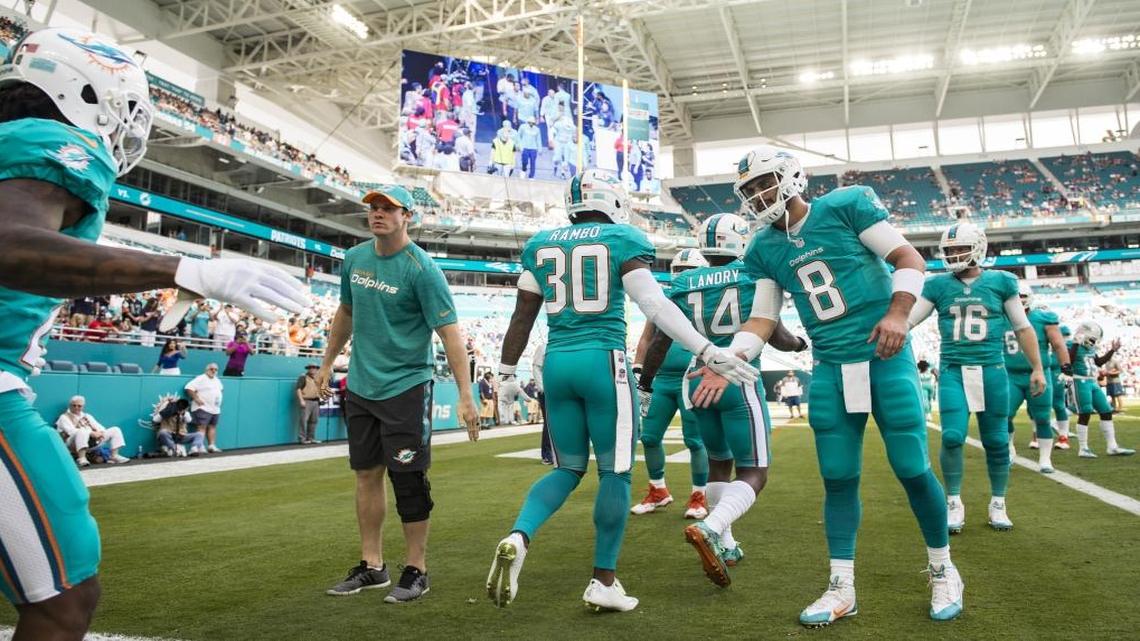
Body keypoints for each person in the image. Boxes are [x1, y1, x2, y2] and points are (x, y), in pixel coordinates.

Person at [485, 170, 757, 612]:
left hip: (557, 363)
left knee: (568, 469)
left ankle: (519, 534)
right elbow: (653, 304)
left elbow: (521, 317)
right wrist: (706, 350)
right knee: (614, 474)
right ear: (612, 202)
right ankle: (603, 581)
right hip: (603, 362)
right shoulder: (621, 238)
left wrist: (506, 373)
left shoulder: (541, 244)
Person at [710, 145, 960, 625]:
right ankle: (841, 585)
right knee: (838, 478)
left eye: (764, 183)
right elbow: (763, 319)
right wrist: (728, 355)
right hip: (831, 367)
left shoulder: (844, 206)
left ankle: (943, 568)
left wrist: (897, 313)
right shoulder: (763, 249)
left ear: (790, 177)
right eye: (750, 190)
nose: (758, 195)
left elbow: (908, 258)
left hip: (884, 356)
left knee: (911, 468)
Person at [317, 185, 479, 604]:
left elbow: (450, 333)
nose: (377, 213)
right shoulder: (354, 259)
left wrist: (466, 393)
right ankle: (372, 566)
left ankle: (416, 569)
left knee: (408, 479)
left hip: (407, 386)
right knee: (366, 475)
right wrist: (325, 363)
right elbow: (346, 313)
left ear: (408, 216)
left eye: (387, 208)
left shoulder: (422, 269)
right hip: (362, 385)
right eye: (373, 207)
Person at [636, 214, 807, 587]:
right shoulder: (750, 275)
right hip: (736, 378)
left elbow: (661, 340)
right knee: (754, 471)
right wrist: (798, 344)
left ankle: (726, 543)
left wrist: (646, 382)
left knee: (718, 464)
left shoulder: (682, 282)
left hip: (695, 382)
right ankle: (712, 527)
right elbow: (773, 333)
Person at [909, 222, 1045, 535]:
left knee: (997, 440)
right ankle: (953, 501)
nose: (954, 255)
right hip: (954, 370)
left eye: (960, 248)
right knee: (952, 436)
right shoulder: (938, 285)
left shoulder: (1001, 282)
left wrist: (1037, 367)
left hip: (992, 370)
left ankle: (998, 502)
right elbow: (911, 319)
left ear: (979, 248)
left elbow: (1023, 327)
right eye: (950, 250)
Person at [629, 249, 711, 519]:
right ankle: (658, 490)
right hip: (661, 379)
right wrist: (640, 370)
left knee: (695, 441)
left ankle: (699, 495)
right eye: (679, 269)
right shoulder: (662, 300)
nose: (682, 274)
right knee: (649, 436)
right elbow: (647, 338)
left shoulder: (705, 301)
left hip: (690, 379)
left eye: (688, 268)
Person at [1007, 284, 1071, 465]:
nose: (1019, 299)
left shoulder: (1043, 318)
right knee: (1004, 415)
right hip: (1010, 375)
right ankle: (1010, 448)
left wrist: (1066, 368)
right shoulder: (1002, 317)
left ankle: (1045, 459)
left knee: (1042, 417)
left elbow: (1058, 344)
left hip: (1040, 374)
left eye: (1022, 295)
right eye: (1016, 295)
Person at [1069, 322, 1134, 458]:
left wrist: (1112, 350)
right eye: (1092, 339)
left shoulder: (1091, 348)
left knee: (1106, 410)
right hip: (1079, 380)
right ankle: (1083, 448)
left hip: (1092, 382)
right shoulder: (1072, 345)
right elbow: (1069, 361)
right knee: (1085, 412)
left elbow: (1098, 362)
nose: (1093, 342)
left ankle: (1112, 446)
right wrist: (1075, 344)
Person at [55, 395, 130, 466]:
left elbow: (100, 427)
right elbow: (71, 431)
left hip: (92, 442)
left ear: (83, 406)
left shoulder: (87, 416)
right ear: (70, 405)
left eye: (79, 406)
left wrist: (100, 433)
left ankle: (114, 456)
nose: (76, 407)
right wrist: (90, 433)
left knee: (115, 429)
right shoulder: (64, 417)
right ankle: (82, 458)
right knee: (82, 431)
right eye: (74, 405)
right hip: (72, 444)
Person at [185, 363, 224, 453]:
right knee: (201, 427)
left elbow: (221, 390)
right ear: (207, 370)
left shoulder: (217, 380)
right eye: (211, 369)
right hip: (203, 407)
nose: (213, 371)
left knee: (212, 426)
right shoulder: (200, 378)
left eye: (215, 369)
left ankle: (211, 445)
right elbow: (188, 388)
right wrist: (196, 398)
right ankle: (199, 446)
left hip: (215, 408)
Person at [1052, 325, 1074, 445]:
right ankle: (1062, 435)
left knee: (1060, 405)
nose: (1066, 338)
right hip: (1052, 374)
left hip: (1058, 375)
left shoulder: (1068, 345)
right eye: (1064, 335)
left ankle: (1063, 436)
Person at [532, 338, 552, 464]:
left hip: (562, 390)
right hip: (547, 391)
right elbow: (536, 368)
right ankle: (547, 454)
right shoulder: (544, 347)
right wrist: (542, 388)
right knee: (550, 422)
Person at [296, 363, 323, 444]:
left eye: (314, 367)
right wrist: (301, 400)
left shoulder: (318, 378)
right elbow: (298, 389)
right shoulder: (303, 377)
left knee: (314, 421)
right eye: (310, 367)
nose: (313, 369)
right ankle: (302, 439)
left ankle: (311, 438)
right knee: (303, 420)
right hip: (306, 400)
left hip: (316, 401)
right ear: (308, 368)